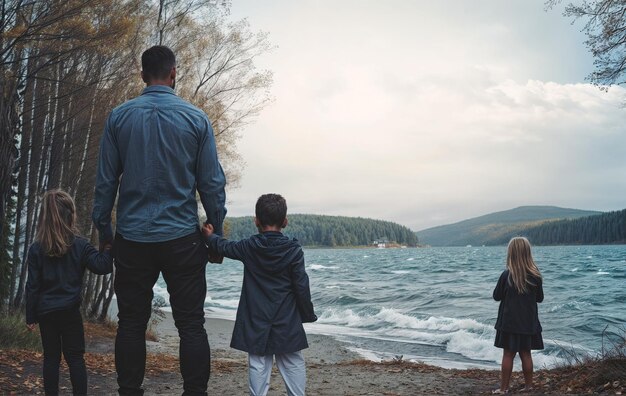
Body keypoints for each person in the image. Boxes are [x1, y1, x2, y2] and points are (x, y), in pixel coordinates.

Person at [92, 45, 227, 396]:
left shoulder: (119, 117)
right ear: (174, 73)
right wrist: (216, 234)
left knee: (131, 324)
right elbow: (211, 183)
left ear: (141, 75)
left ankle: (129, 392)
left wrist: (106, 233)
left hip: (133, 238)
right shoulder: (195, 118)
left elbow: (105, 183)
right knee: (191, 325)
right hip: (182, 237)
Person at [202, 193, 317, 396]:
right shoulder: (293, 250)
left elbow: (225, 247)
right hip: (287, 318)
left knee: (258, 364)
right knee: (293, 363)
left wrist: (210, 237)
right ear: (285, 221)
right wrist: (306, 314)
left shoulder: (249, 247)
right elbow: (301, 285)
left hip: (256, 318)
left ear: (256, 221)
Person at [25, 189, 113, 396]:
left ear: (44, 217)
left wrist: (31, 315)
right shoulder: (80, 245)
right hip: (69, 312)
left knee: (51, 358)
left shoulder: (37, 248)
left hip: (46, 313)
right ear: (71, 215)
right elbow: (102, 267)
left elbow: (33, 285)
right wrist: (108, 247)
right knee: (75, 358)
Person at [492, 237, 544, 394]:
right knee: (526, 355)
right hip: (528, 323)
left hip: (509, 323)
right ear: (528, 254)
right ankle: (529, 387)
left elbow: (496, 296)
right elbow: (540, 299)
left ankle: (503, 389)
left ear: (511, 254)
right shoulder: (535, 276)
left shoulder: (506, 275)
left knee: (508, 354)